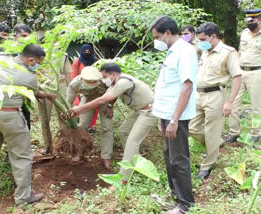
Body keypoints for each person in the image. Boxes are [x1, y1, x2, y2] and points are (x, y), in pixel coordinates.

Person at [0, 44, 55, 205]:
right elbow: (35, 93)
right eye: (38, 62)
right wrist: (49, 95)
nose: (38, 66)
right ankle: (23, 197)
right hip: (9, 115)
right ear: (31, 59)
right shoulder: (28, 76)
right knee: (22, 155)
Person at [69, 63, 156, 183]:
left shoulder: (123, 82)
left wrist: (80, 108)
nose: (103, 80)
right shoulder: (115, 82)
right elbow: (109, 96)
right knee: (123, 131)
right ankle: (134, 159)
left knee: (132, 141)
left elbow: (103, 99)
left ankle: (123, 178)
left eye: (104, 77)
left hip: (149, 111)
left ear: (113, 74)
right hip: (139, 111)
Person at [150, 16, 197, 214]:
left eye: (157, 36)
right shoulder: (173, 52)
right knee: (169, 156)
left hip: (176, 116)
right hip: (167, 114)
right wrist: (163, 118)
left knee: (178, 159)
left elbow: (187, 86)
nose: (156, 41)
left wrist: (174, 120)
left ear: (168, 33)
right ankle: (177, 198)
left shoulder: (185, 52)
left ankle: (185, 205)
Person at [189, 22, 242, 179]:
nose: (201, 42)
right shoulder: (205, 51)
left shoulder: (228, 52)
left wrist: (229, 102)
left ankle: (207, 166)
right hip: (199, 94)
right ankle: (215, 144)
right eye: (198, 40)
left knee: (211, 131)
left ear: (213, 36)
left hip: (215, 96)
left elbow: (237, 77)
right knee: (191, 127)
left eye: (203, 39)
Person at [67, 66, 114, 169]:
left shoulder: (106, 80)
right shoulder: (74, 84)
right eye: (88, 82)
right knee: (82, 126)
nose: (91, 84)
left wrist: (110, 106)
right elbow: (68, 102)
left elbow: (115, 93)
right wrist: (70, 114)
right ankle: (80, 153)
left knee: (107, 127)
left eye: (94, 82)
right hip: (88, 99)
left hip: (104, 98)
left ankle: (106, 157)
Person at [226, 9, 261, 145]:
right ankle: (233, 132)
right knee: (233, 102)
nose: (249, 23)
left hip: (256, 73)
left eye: (252, 21)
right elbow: (240, 51)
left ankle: (256, 133)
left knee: (256, 106)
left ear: (259, 19)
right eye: (248, 21)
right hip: (240, 71)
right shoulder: (245, 33)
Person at [71, 44, 98, 133]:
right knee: (81, 106)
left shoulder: (96, 62)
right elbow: (74, 76)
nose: (87, 53)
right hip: (81, 88)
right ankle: (80, 125)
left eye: (89, 51)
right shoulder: (77, 62)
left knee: (94, 108)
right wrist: (77, 91)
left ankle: (90, 126)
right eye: (85, 51)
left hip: (94, 88)